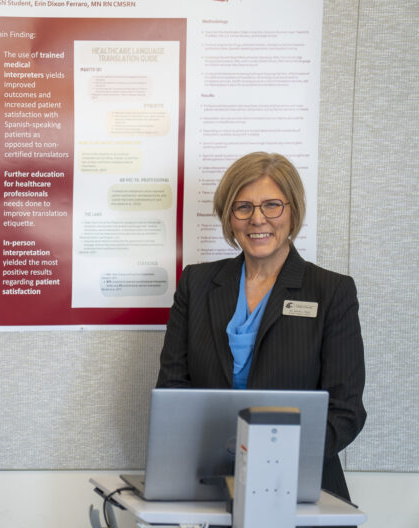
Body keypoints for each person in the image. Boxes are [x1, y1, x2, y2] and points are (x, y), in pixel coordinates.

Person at [156, 152, 366, 501]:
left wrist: (272, 462)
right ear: (229, 216)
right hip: (209, 483)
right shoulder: (197, 283)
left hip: (300, 485)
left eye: (272, 205)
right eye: (243, 207)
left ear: (293, 211)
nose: (257, 219)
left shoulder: (331, 292)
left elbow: (346, 411)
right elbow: (172, 390)